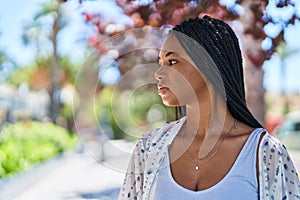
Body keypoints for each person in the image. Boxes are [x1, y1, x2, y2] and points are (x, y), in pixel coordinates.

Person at [118, 16, 300, 200]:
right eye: (160, 63)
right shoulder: (149, 147)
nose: (158, 73)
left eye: (172, 61)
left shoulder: (266, 153)